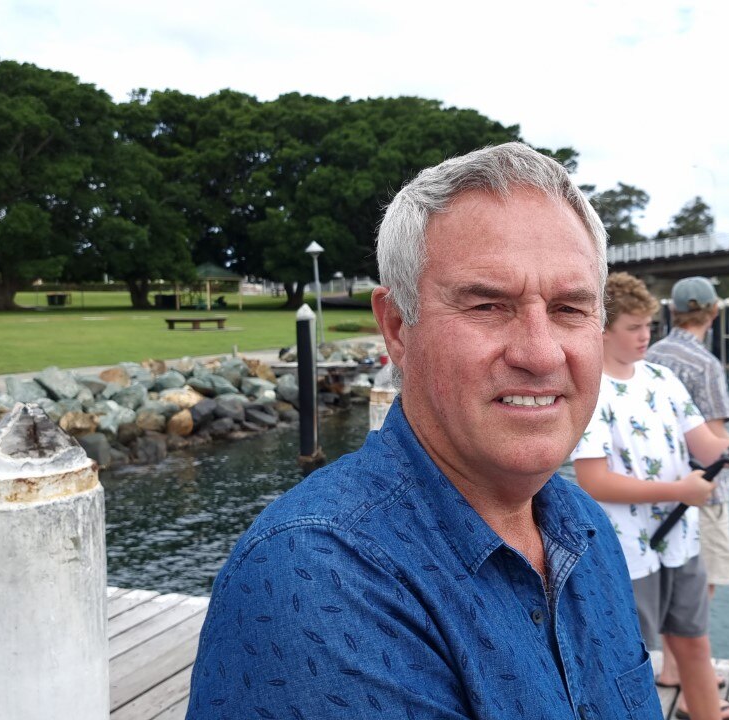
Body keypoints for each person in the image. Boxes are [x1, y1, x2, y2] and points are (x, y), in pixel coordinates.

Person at [187, 144, 664, 719]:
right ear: (396, 328)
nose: (540, 353)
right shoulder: (316, 579)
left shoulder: (586, 531)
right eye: (488, 305)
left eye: (569, 309)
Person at [571, 273, 729, 720]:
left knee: (693, 640)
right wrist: (680, 490)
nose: (646, 335)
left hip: (680, 543)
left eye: (650, 324)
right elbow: (593, 481)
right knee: (620, 661)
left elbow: (708, 449)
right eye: (633, 327)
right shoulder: (589, 390)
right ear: (602, 329)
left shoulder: (664, 378)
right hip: (627, 551)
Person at [645, 277, 729, 718]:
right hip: (704, 492)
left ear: (672, 311)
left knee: (672, 579)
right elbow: (718, 439)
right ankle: (690, 686)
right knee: (700, 589)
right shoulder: (705, 364)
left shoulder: (649, 355)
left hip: (661, 490)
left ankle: (671, 671)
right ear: (715, 312)